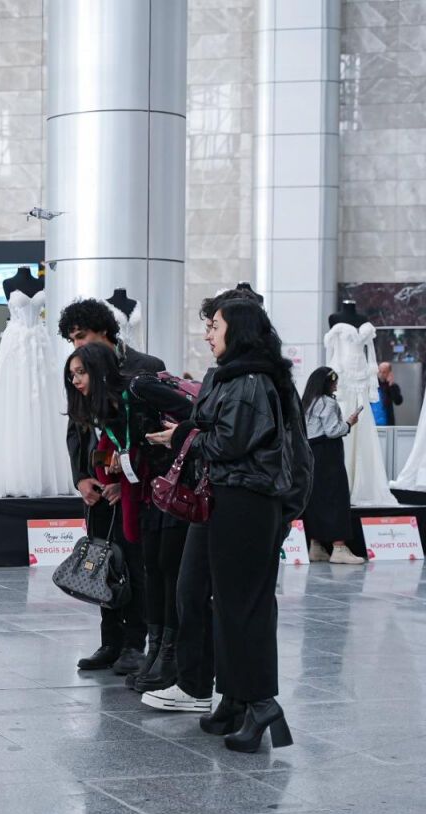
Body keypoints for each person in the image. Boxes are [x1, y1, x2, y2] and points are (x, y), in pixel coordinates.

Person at [146, 298, 301, 752]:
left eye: (215, 326)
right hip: (231, 499)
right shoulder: (235, 376)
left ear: (240, 330)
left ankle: (261, 703)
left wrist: (181, 436)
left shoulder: (252, 381)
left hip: (248, 503)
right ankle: (235, 699)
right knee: (226, 604)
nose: (208, 334)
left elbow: (229, 443)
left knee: (243, 607)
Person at [59, 298, 164, 673]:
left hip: (136, 488)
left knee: (135, 563)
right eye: (72, 339)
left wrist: (128, 478)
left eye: (81, 336)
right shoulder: (79, 369)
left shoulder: (145, 367)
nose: (77, 345)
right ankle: (111, 641)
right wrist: (82, 477)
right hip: (98, 485)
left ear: (104, 330)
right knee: (101, 560)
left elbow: (152, 434)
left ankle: (135, 643)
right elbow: (78, 429)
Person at [302, 368, 365, 564]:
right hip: (328, 455)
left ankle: (316, 546)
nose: (336, 385)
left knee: (316, 498)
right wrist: (349, 423)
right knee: (337, 497)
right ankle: (339, 547)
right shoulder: (328, 403)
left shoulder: (307, 403)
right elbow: (332, 431)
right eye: (333, 382)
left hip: (311, 454)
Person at [373, 362, 403, 426]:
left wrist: (391, 385)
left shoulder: (393, 386)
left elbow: (398, 401)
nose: (381, 374)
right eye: (379, 371)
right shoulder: (373, 385)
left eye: (384, 372)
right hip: (373, 423)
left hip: (386, 424)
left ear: (389, 373)